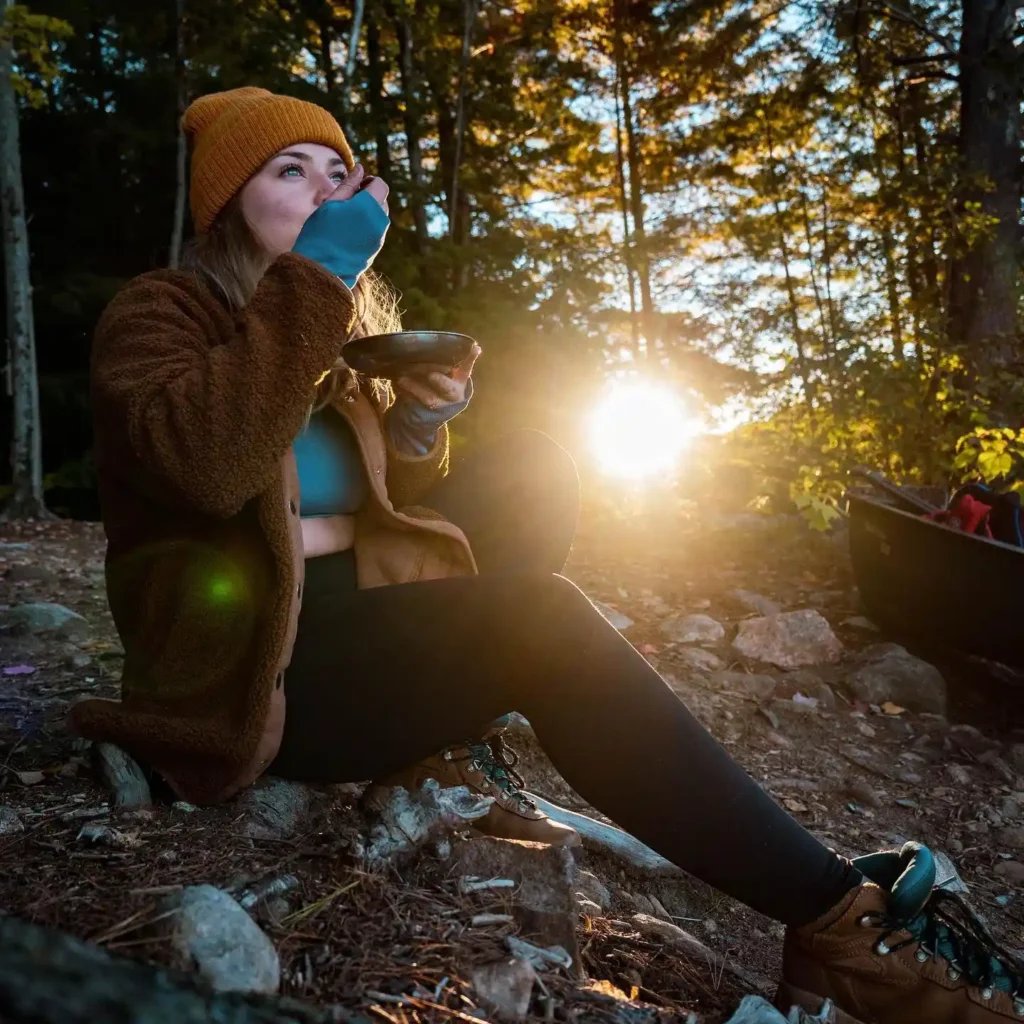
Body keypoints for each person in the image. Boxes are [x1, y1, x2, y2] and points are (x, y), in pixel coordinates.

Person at [72, 87, 1022, 1023]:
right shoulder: (162, 315)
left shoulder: (335, 337)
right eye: (291, 172)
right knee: (540, 617)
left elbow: (353, 500)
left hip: (354, 625)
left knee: (534, 467)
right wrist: (321, 281)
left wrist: (412, 430)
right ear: (229, 203)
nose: (326, 192)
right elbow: (210, 469)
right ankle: (837, 919)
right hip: (260, 672)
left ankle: (452, 720)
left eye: (339, 173)